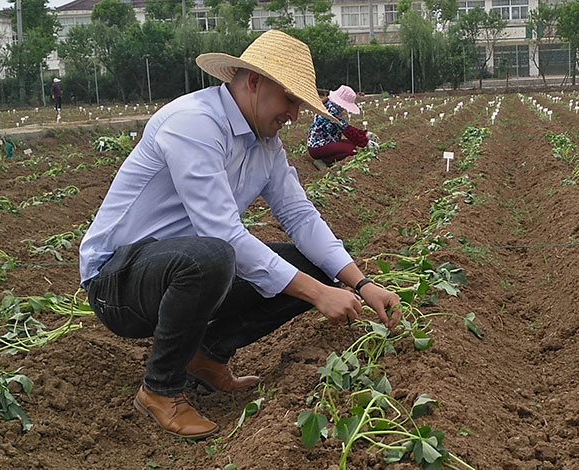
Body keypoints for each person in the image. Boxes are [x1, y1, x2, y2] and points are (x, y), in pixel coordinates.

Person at [78, 30, 401, 440]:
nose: (294, 114)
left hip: (182, 270)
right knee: (214, 256)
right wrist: (319, 296)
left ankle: (207, 357)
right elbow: (223, 234)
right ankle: (159, 390)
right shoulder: (193, 124)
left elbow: (299, 215)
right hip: (118, 280)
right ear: (254, 82)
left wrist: (360, 282)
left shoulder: (267, 144)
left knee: (314, 265)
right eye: (290, 100)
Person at [307, 85, 379, 170]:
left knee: (351, 144)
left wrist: (365, 134)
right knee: (351, 150)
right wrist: (365, 142)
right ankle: (325, 161)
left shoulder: (331, 106)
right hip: (318, 147)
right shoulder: (332, 110)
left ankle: (325, 158)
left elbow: (347, 128)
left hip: (325, 143)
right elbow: (348, 131)